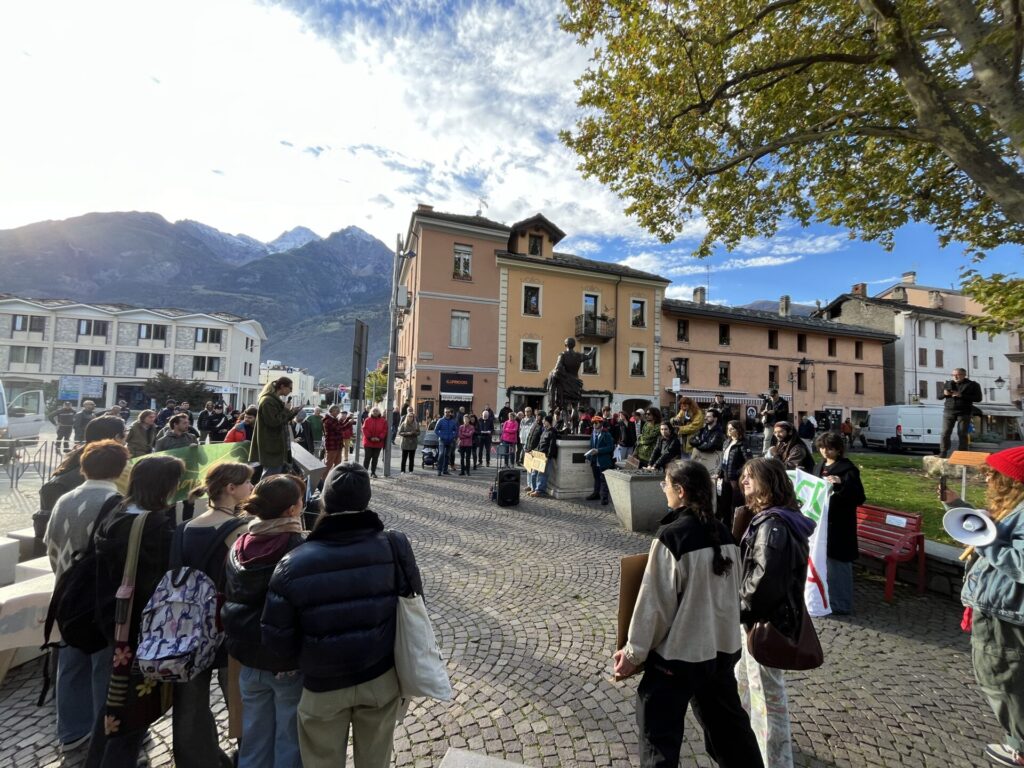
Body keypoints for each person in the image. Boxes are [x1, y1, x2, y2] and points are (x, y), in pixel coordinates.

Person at [262, 463, 422, 767]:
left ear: (324, 500)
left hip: (322, 683)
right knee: (375, 760)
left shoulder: (293, 562)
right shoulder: (392, 545)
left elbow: (276, 639)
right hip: (379, 675)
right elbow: (414, 602)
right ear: (367, 499)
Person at [613, 460, 763, 768]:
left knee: (659, 741)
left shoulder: (672, 536)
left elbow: (654, 605)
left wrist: (633, 653)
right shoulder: (724, 533)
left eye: (665, 485)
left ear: (680, 491)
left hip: (678, 659)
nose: (663, 490)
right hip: (720, 654)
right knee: (731, 735)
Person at [85, 454, 185, 768]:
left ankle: (98, 761)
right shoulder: (153, 524)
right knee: (134, 705)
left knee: (115, 702)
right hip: (141, 628)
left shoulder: (116, 510)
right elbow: (159, 580)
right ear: (165, 486)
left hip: (113, 620)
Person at [44, 439, 129, 753]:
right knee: (103, 668)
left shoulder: (65, 498)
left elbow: (50, 544)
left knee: (70, 664)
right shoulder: (118, 503)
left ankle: (70, 732)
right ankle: (103, 735)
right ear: (120, 468)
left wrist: (65, 576)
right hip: (101, 599)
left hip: (66, 595)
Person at [943, 446, 1024, 766]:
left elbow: (1017, 559)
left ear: (1013, 480)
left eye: (993, 474)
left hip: (1004, 612)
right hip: (997, 606)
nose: (987, 478)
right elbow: (996, 531)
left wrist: (984, 541)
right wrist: (956, 505)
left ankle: (1018, 746)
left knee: (1001, 677)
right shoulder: (1013, 507)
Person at [172, 463, 253, 768]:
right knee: (241, 697)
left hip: (189, 626)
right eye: (247, 483)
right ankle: (249, 754)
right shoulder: (239, 530)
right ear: (230, 489)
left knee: (190, 703)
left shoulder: (185, 528)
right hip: (226, 624)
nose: (251, 488)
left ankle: (197, 761)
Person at [735, 457, 815, 768]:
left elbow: (763, 584)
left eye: (750, 478)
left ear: (768, 483)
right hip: (762, 618)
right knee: (745, 682)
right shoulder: (774, 518)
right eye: (743, 477)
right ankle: (745, 744)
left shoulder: (773, 525)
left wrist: (737, 610)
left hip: (767, 622)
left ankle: (775, 761)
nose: (744, 482)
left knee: (767, 698)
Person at [223, 474, 307, 768]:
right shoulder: (297, 547)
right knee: (289, 738)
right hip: (285, 661)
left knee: (255, 737)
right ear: (291, 511)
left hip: (248, 657)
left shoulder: (239, 544)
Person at [812, 432, 865, 615]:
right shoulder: (819, 465)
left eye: (829, 448)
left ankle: (841, 603)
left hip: (840, 526)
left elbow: (858, 497)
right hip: (821, 522)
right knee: (823, 561)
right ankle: (824, 596)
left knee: (838, 564)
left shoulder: (847, 469)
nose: (825, 452)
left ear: (839, 449)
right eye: (822, 448)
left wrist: (841, 483)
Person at [251, 377, 304, 476]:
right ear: (282, 387)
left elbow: (282, 420)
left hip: (277, 446)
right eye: (290, 388)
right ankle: (260, 492)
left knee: (274, 476)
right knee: (270, 477)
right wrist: (286, 410)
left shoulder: (274, 400)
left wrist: (293, 412)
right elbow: (274, 422)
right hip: (271, 446)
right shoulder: (267, 401)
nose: (291, 391)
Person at [940, 367, 983, 457]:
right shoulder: (948, 383)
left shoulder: (973, 385)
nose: (955, 377)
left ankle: (962, 454)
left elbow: (978, 398)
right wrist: (944, 394)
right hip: (949, 411)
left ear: (964, 375)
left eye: (957, 375)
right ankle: (943, 452)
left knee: (962, 433)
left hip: (964, 411)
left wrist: (962, 395)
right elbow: (939, 396)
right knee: (945, 432)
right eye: (953, 375)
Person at [715, 420, 749, 530]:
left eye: (732, 429)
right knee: (724, 503)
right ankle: (725, 527)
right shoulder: (727, 442)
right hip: (725, 477)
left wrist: (737, 473)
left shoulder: (742, 443)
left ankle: (736, 528)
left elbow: (748, 462)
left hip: (735, 479)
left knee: (735, 504)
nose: (729, 431)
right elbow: (723, 460)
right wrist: (719, 472)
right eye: (728, 428)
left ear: (738, 429)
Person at [585, 417, 615, 504]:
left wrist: (599, 451)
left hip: (603, 461)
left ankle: (604, 498)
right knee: (596, 478)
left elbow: (610, 447)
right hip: (594, 460)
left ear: (601, 424)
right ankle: (596, 494)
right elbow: (591, 447)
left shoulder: (606, 434)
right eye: (593, 423)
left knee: (603, 480)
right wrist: (588, 458)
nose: (594, 425)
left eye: (596, 423)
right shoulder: (593, 433)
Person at [527, 415, 556, 497]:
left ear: (548, 422)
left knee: (542, 474)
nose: (543, 422)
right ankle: (534, 488)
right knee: (534, 473)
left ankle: (539, 491)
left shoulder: (552, 432)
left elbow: (551, 446)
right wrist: (533, 451)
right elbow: (540, 444)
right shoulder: (544, 431)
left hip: (545, 456)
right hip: (538, 455)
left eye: (544, 420)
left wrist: (548, 457)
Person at [691, 410, 725, 475]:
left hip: (711, 462)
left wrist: (698, 443)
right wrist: (702, 443)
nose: (705, 418)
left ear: (715, 418)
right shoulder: (703, 430)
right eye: (706, 416)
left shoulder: (719, 432)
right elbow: (691, 440)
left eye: (709, 416)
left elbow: (710, 447)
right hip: (699, 460)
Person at [759, 390, 788, 457]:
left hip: (779, 424)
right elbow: (761, 410)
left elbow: (785, 412)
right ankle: (765, 453)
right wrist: (763, 412)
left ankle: (781, 451)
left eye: (773, 396)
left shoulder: (783, 402)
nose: (772, 398)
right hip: (769, 423)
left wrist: (775, 412)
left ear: (777, 394)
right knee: (767, 438)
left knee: (780, 438)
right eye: (771, 396)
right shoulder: (767, 401)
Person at [361, 407, 388, 478]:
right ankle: (365, 472)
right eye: (374, 411)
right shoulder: (367, 420)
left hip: (378, 442)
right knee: (367, 457)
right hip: (368, 442)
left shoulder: (383, 421)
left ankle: (373, 472)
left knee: (375, 458)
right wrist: (370, 437)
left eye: (377, 411)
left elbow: (384, 430)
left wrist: (379, 438)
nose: (375, 412)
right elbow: (364, 429)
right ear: (371, 412)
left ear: (379, 412)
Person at [322, 406, 345, 476]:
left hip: (338, 444)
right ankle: (322, 481)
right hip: (331, 445)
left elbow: (341, 429)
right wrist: (344, 420)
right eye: (335, 410)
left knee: (338, 464)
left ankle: (334, 478)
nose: (337, 412)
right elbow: (339, 429)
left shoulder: (334, 419)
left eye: (338, 410)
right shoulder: (328, 419)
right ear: (331, 411)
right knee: (328, 464)